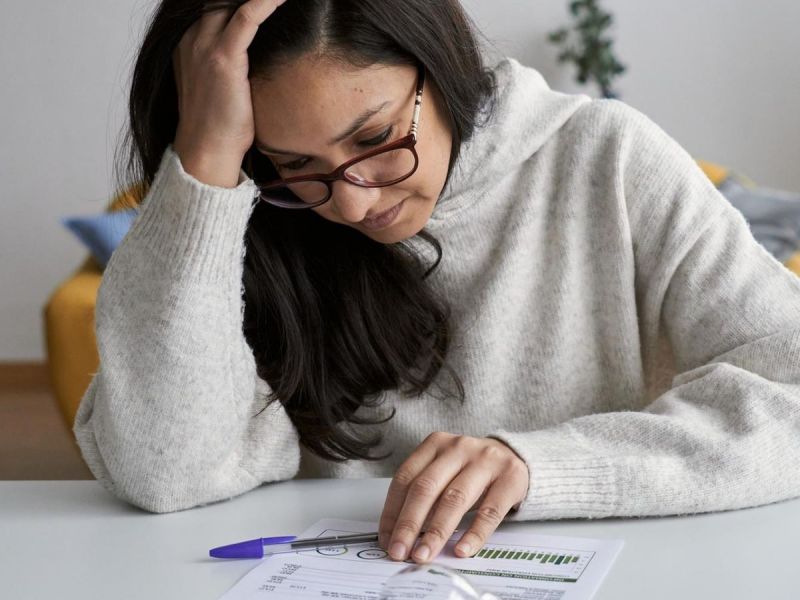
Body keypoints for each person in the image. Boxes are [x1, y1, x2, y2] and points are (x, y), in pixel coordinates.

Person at [74, 0, 800, 567]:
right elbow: (164, 471)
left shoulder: (609, 160)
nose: (353, 203)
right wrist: (205, 166)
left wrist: (539, 467)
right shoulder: (252, 209)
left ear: (438, 61)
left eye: (374, 139)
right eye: (297, 164)